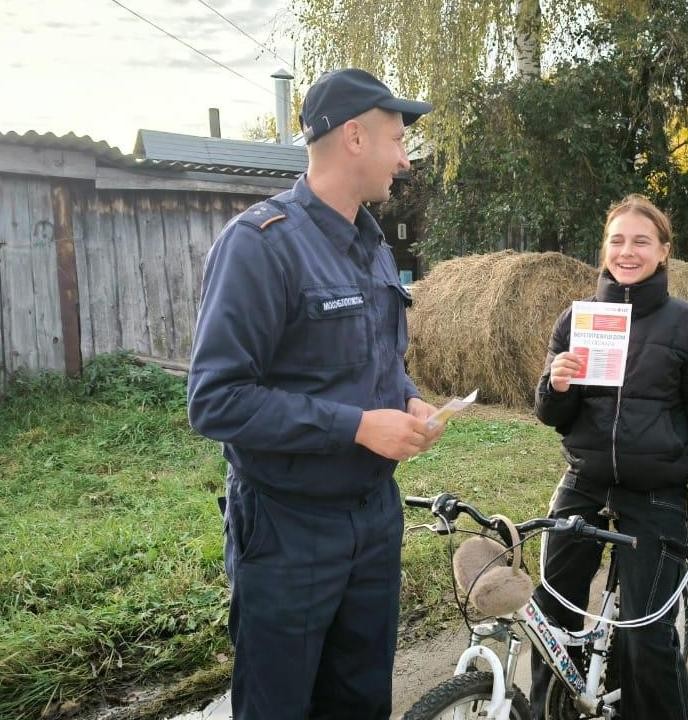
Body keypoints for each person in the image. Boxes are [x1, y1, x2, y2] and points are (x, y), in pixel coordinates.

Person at [187, 68, 444, 720]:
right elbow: (215, 400)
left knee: (360, 704)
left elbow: (376, 357)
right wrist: (357, 426)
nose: (405, 159)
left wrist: (407, 398)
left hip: (374, 522)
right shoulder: (261, 245)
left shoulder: (372, 245)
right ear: (354, 137)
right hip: (288, 531)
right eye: (396, 139)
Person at [529, 194, 688, 720]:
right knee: (550, 616)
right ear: (604, 249)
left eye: (641, 241)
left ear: (664, 251)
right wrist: (556, 385)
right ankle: (556, 709)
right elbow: (554, 414)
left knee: (645, 639)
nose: (627, 251)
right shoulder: (577, 319)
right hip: (585, 482)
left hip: (655, 494)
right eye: (617, 240)